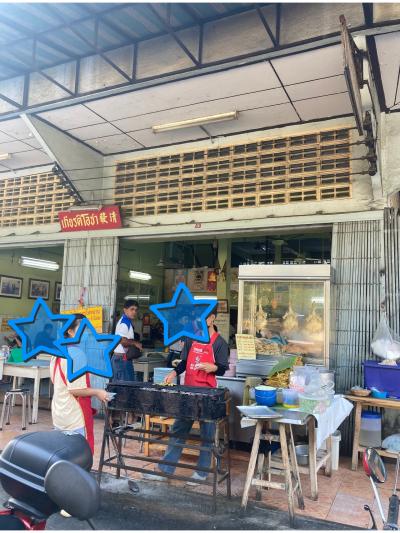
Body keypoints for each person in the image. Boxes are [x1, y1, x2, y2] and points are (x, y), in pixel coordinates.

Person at [145, 306, 229, 484]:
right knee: (178, 430)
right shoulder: (192, 338)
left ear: (212, 318)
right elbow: (183, 362)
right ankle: (165, 470)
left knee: (207, 435)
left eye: (203, 317)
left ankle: (201, 473)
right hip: (188, 392)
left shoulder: (220, 343)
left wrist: (213, 367)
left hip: (207, 395)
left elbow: (222, 368)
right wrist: (174, 372)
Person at [50, 314, 109, 454]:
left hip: (59, 413)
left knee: (61, 456)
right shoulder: (77, 354)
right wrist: (98, 392)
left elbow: (55, 380)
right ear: (70, 332)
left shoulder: (57, 352)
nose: (87, 333)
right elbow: (75, 390)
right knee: (78, 457)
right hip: (74, 416)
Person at [112, 300, 142, 382]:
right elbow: (122, 340)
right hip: (121, 360)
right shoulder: (124, 323)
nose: (134, 312)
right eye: (132, 309)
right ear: (125, 310)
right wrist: (135, 343)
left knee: (124, 385)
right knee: (125, 386)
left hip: (122, 359)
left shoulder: (126, 321)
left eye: (136, 310)